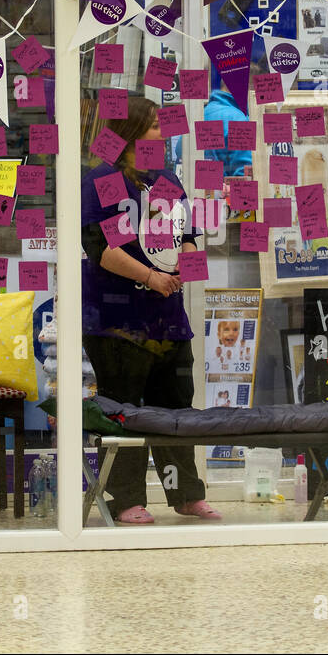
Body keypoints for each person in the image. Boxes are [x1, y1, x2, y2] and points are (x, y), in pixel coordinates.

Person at [81, 96, 221, 524]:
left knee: (176, 408)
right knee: (124, 411)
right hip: (118, 321)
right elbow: (99, 248)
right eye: (157, 124)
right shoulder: (100, 181)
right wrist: (149, 276)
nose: (164, 131)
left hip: (168, 318)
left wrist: (188, 261)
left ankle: (185, 494)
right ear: (132, 132)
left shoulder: (165, 177)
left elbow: (190, 229)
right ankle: (125, 500)